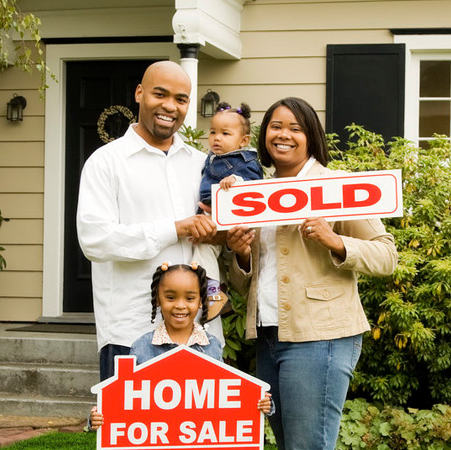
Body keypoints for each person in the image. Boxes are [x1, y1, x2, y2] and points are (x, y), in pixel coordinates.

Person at [223, 97, 398, 450]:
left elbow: (387, 256)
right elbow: (247, 282)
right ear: (264, 135)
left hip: (321, 336)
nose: (283, 135)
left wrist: (336, 241)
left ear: (311, 136)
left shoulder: (335, 186)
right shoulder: (253, 192)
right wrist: (240, 256)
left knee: (307, 445)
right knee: (290, 443)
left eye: (295, 128)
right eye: (275, 127)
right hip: (269, 336)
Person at [76, 61, 223, 382]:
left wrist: (220, 235)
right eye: (160, 94)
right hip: (131, 330)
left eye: (181, 99)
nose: (170, 106)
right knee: (130, 432)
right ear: (140, 93)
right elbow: (95, 239)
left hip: (199, 334)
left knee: (196, 431)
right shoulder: (106, 163)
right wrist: (177, 228)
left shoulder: (203, 165)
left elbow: (217, 238)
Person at [88, 262, 272, 429]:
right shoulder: (142, 347)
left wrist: (263, 403)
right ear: (158, 299)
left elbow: (224, 396)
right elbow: (122, 400)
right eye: (170, 297)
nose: (180, 305)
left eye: (190, 298)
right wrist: (96, 418)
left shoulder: (212, 346)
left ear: (201, 301)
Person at [193, 102, 264, 323]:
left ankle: (213, 295)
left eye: (225, 133)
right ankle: (218, 292)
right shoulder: (212, 156)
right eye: (213, 132)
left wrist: (236, 181)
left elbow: (254, 180)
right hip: (211, 213)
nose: (216, 138)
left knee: (204, 252)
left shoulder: (245, 159)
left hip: (225, 217)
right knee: (209, 256)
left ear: (243, 141)